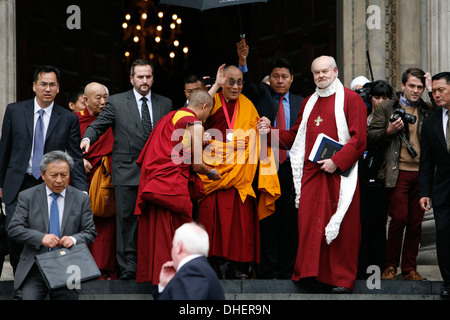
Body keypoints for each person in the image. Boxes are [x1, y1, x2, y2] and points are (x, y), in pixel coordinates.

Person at [258, 56, 367, 293]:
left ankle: (341, 279)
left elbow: (359, 140)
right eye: (316, 72)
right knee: (310, 224)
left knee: (342, 226)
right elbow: (294, 139)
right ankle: (310, 274)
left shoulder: (351, 99)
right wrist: (269, 133)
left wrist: (336, 162)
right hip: (312, 175)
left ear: (335, 71)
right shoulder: (309, 102)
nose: (321, 76)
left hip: (339, 175)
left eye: (325, 71)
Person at [80, 59, 172, 280]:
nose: (144, 81)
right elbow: (98, 125)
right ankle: (128, 268)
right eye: (140, 77)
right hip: (126, 171)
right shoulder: (117, 102)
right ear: (132, 78)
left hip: (157, 173)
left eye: (148, 76)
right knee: (126, 222)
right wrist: (87, 138)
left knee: (152, 221)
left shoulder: (165, 103)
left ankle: (151, 264)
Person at [0, 65, 88, 286]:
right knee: (15, 235)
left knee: (45, 236)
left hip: (50, 185)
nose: (47, 88)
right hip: (17, 183)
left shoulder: (68, 119)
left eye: (52, 84)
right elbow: (5, 150)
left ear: (58, 88)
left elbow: (75, 158)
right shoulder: (14, 111)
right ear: (34, 86)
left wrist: (82, 189)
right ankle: (21, 285)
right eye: (43, 84)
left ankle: (41, 285)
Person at [198, 65, 280, 280]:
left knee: (240, 223)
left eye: (239, 82)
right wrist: (215, 85)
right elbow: (195, 114)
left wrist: (264, 126)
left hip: (240, 174)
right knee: (211, 220)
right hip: (213, 170)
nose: (235, 86)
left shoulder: (248, 105)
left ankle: (239, 266)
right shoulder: (212, 100)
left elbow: (260, 137)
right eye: (231, 81)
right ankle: (212, 264)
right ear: (223, 82)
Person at [135, 89, 221, 285]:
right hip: (172, 188)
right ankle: (176, 284)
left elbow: (176, 151)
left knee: (158, 236)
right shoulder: (195, 124)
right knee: (177, 236)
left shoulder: (169, 118)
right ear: (205, 107)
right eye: (208, 113)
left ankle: (158, 281)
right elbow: (196, 165)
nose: (207, 119)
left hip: (155, 183)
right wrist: (211, 173)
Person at [237, 39, 304, 279]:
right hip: (267, 167)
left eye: (284, 76)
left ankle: (288, 270)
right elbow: (247, 89)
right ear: (271, 78)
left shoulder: (301, 102)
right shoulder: (263, 94)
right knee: (268, 220)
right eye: (276, 76)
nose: (280, 81)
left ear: (291, 79)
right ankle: (268, 272)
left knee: (290, 221)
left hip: (292, 170)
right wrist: (243, 61)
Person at [368, 67, 438, 281]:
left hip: (423, 174)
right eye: (412, 86)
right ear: (403, 86)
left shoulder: (427, 109)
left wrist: (431, 91)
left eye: (419, 87)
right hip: (396, 172)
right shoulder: (387, 107)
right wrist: (388, 131)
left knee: (416, 222)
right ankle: (390, 266)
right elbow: (370, 136)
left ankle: (409, 268)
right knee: (399, 218)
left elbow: (445, 115)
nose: (415, 91)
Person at [7, 151, 96, 300]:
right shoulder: (27, 196)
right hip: (35, 266)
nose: (60, 180)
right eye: (54, 175)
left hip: (68, 267)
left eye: (64, 175)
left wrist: (73, 240)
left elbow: (90, 231)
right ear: (42, 174)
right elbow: (14, 229)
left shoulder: (81, 199)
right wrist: (41, 238)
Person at [77, 82, 116, 280]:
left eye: (105, 98)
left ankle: (105, 270)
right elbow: (63, 148)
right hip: (81, 183)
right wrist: (78, 160)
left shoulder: (113, 122)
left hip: (106, 184)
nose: (103, 102)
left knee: (106, 229)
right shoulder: (74, 121)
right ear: (85, 100)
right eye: (97, 98)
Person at [357, 80, 394, 279]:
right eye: (377, 97)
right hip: (361, 178)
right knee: (361, 226)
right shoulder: (362, 117)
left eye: (385, 98)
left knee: (378, 228)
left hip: (380, 179)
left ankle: (376, 275)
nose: (380, 102)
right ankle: (362, 273)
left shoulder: (393, 120)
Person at [419, 71, 450, 296]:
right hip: (443, 191)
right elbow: (426, 162)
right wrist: (424, 192)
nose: (436, 95)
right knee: (443, 234)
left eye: (441, 90)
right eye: (434, 91)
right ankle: (449, 282)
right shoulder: (430, 123)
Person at [154, 222, 225, 300]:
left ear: (179, 247)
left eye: (173, 245)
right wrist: (165, 286)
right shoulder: (201, 268)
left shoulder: (193, 270)